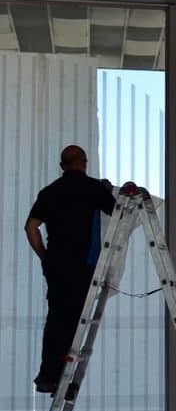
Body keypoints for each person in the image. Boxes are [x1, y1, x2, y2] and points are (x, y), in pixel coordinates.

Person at [24, 145, 116, 394]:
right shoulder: (94, 189)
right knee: (76, 321)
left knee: (56, 319)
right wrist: (108, 191)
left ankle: (49, 376)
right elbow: (117, 214)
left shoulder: (50, 192)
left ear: (61, 165)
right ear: (84, 163)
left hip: (56, 265)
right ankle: (66, 380)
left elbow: (31, 227)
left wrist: (45, 256)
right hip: (83, 264)